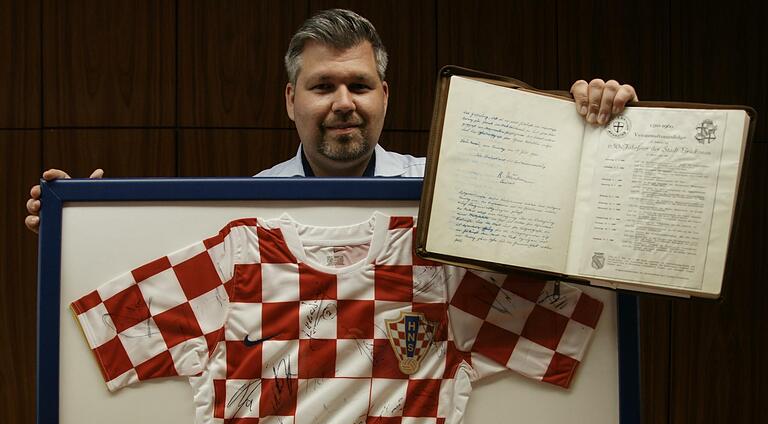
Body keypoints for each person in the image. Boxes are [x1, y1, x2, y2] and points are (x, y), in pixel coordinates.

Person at [25, 8, 637, 232]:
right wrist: (80, 226)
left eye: (359, 85)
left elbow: (558, 218)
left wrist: (597, 128)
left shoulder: (447, 192)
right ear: (290, 101)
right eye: (322, 86)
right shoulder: (246, 210)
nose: (344, 101)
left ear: (385, 97)